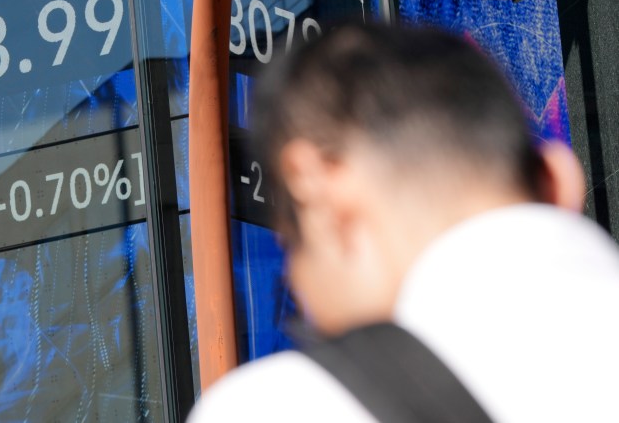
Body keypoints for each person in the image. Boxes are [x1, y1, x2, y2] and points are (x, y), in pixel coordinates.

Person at [188, 23, 619, 422]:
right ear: (559, 180)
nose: (303, 298)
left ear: (317, 187)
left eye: (292, 246)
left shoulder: (274, 408)